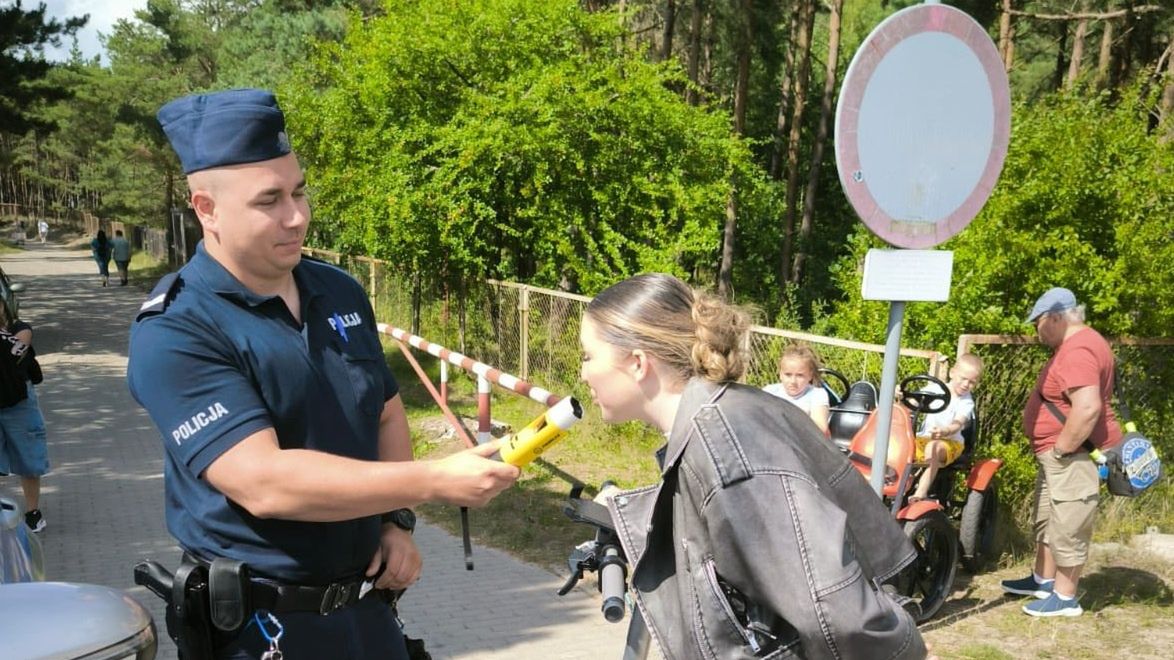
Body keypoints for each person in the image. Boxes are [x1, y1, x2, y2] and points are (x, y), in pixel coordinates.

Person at [127, 88, 519, 659]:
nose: (297, 216)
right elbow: (264, 481)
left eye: (299, 191)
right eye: (269, 200)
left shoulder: (338, 290)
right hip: (261, 630)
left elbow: (384, 412)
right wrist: (433, 480)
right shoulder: (177, 329)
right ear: (206, 209)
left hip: (367, 610)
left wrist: (395, 522)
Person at [580, 273, 926, 659]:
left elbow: (834, 609)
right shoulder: (717, 419)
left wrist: (910, 654)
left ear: (637, 363)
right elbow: (722, 541)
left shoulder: (724, 442)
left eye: (589, 356)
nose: (583, 373)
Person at [1002, 287, 1122, 617]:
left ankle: (1065, 598)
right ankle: (1043, 580)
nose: (1036, 331)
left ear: (1055, 317)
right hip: (1061, 455)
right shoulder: (1079, 344)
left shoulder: (1078, 350)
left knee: (1069, 520)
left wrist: (1062, 449)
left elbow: (1087, 407)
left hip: (1072, 455)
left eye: (1037, 323)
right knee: (1049, 518)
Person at [0, 296, 49, 533]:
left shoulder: (20, 329)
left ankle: (33, 513)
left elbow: (17, 355)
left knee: (28, 456)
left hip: (19, 402)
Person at [909, 353, 984, 502]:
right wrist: (901, 397)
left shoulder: (966, 402)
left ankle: (920, 493)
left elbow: (958, 423)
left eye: (971, 382)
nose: (966, 385)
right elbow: (912, 403)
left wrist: (945, 431)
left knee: (933, 448)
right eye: (963, 378)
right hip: (924, 438)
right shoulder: (935, 389)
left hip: (950, 443)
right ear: (952, 373)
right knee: (899, 445)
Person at [762, 344, 830, 435]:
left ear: (810, 376)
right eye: (788, 375)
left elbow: (821, 428)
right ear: (780, 374)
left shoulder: (817, 395)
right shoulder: (770, 391)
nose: (793, 381)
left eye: (800, 375)